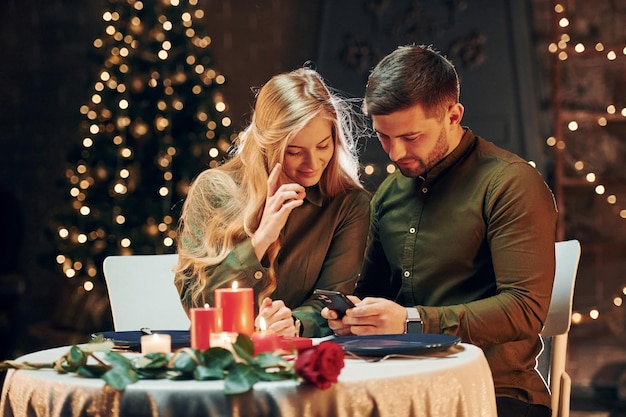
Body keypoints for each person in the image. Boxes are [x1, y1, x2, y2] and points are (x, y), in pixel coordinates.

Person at [322, 45, 558, 417]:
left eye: (411, 137)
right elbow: (371, 292)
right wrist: (354, 315)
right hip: (399, 386)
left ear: (453, 115)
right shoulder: (388, 194)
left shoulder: (511, 183)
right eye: (384, 137)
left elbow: (525, 310)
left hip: (493, 391)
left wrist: (410, 320)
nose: (395, 153)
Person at [174, 67, 370, 338]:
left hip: (302, 358)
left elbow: (333, 299)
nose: (313, 164)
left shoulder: (349, 204)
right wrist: (261, 240)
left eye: (323, 146)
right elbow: (198, 305)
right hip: (223, 358)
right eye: (294, 151)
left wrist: (295, 323)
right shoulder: (214, 191)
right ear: (268, 145)